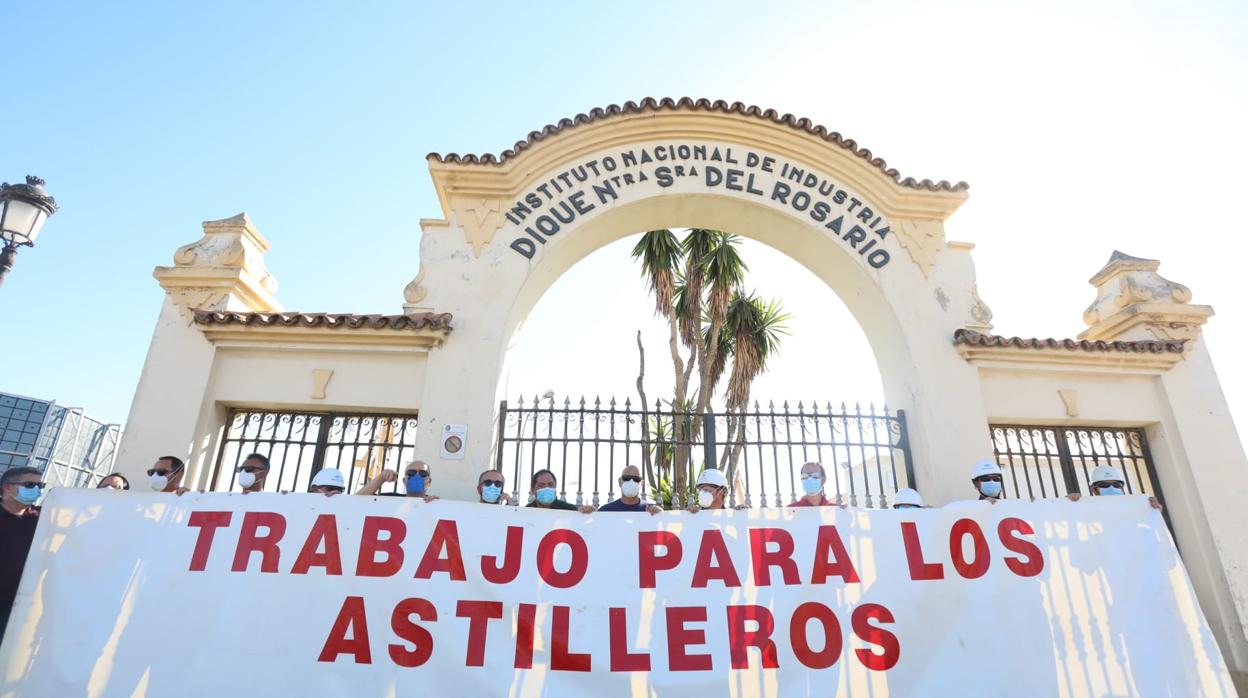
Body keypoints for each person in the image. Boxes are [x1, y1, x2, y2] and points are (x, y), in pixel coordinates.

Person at [0, 467, 44, 646]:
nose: (37, 490)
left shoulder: (43, 517)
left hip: (18, 605)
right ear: (7, 488)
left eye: (40, 485)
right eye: (29, 484)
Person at [1068, 464, 1163, 509]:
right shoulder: (1087, 508)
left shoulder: (1134, 505)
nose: (1111, 488)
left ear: (1122, 487)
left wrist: (1153, 509)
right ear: (1094, 489)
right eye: (1104, 485)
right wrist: (1069, 504)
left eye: (1116, 485)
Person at [356, 461, 438, 501]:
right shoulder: (390, 499)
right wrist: (381, 478)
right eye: (411, 473)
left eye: (423, 473)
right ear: (404, 481)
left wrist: (438, 505)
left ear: (429, 481)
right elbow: (356, 501)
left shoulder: (433, 503)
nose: (417, 476)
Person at [526, 469, 593, 513]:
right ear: (533, 489)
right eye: (541, 485)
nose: (547, 488)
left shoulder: (570, 510)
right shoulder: (525, 512)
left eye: (550, 484)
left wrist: (588, 513)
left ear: (555, 487)